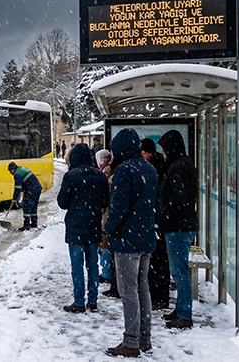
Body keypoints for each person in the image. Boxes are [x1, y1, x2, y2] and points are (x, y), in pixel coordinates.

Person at [104, 128, 158, 357]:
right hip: (146, 237)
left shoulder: (125, 170)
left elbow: (118, 207)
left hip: (127, 241)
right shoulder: (150, 168)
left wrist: (108, 230)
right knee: (142, 287)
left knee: (128, 291)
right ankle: (144, 338)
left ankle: (131, 341)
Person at [57, 143, 109, 313]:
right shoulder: (100, 176)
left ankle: (79, 302)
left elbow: (62, 203)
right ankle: (93, 301)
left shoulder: (70, 176)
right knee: (93, 265)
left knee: (77, 265)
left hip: (75, 229)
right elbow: (104, 202)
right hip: (93, 227)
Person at [157, 130, 198, 329]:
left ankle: (184, 314)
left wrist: (162, 215)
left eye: (164, 148)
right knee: (179, 269)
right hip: (181, 225)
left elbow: (178, 198)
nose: (163, 152)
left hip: (179, 227)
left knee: (179, 271)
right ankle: (181, 308)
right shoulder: (183, 163)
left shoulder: (180, 167)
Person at [141, 137, 170, 311]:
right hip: (157, 220)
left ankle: (159, 296)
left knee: (158, 261)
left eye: (143, 153)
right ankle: (157, 294)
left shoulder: (155, 168)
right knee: (157, 260)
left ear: (149, 153)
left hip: (158, 221)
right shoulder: (159, 165)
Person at [95, 149, 115, 288]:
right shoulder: (107, 169)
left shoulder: (106, 171)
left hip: (106, 213)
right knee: (104, 243)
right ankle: (107, 271)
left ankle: (107, 272)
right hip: (106, 212)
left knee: (104, 243)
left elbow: (104, 193)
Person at [8, 161, 42, 231]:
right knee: (33, 207)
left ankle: (26, 225)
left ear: (13, 169)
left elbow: (18, 188)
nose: (10, 173)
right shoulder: (21, 169)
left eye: (10, 171)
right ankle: (34, 224)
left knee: (27, 207)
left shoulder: (17, 174)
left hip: (31, 190)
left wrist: (14, 198)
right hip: (37, 188)